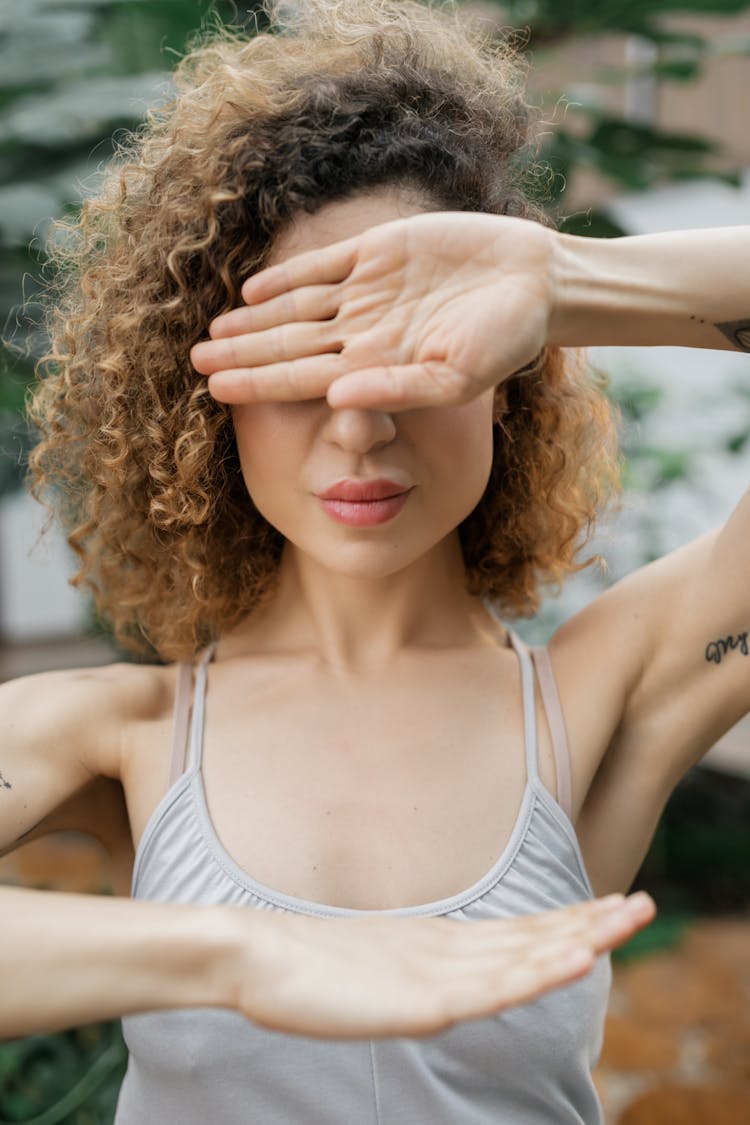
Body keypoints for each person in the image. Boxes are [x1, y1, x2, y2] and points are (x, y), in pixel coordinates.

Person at [2, 0, 746, 1119]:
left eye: (412, 358)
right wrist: (232, 958)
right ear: (210, 406)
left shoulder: (608, 696)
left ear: (513, 379)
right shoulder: (118, 737)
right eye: (302, 368)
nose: (359, 426)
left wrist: (564, 283)